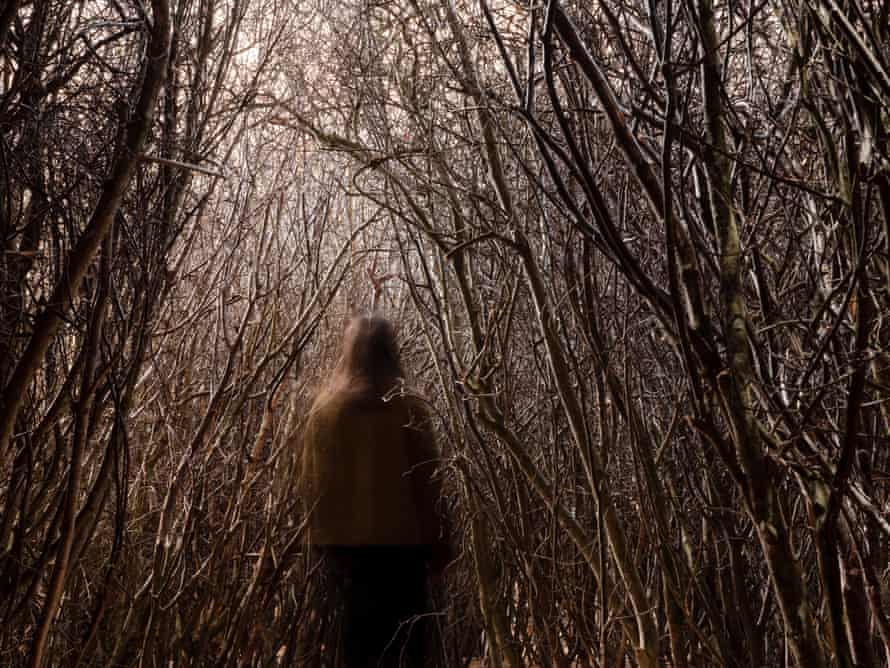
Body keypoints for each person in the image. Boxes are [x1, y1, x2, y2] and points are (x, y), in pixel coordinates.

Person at [299, 314, 450, 668]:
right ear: (391, 354)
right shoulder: (409, 408)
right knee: (404, 653)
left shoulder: (325, 411)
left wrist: (319, 545)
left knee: (355, 652)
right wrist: (441, 546)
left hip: (344, 558)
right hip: (404, 557)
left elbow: (312, 485)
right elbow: (428, 483)